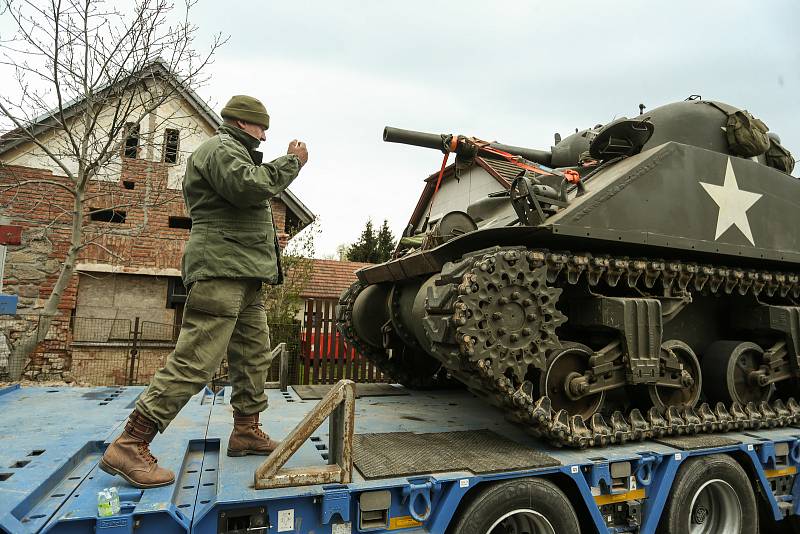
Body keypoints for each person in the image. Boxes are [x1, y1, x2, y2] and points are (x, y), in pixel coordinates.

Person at [99, 95, 309, 488]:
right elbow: (249, 189)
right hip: (220, 271)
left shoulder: (235, 152)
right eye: (262, 126)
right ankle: (130, 443)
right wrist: (292, 161)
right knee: (197, 359)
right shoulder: (220, 150)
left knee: (253, 355)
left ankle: (246, 429)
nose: (265, 134)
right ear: (244, 123)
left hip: (244, 274)